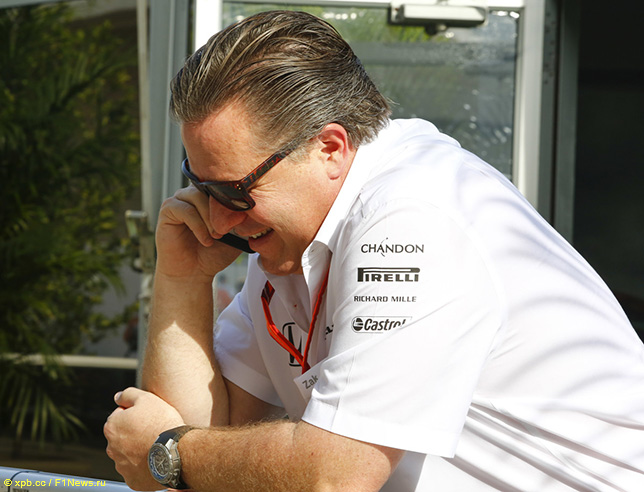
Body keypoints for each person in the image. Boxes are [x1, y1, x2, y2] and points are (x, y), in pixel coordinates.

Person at [104, 10, 644, 491]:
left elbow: (335, 476)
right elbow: (201, 435)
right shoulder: (289, 237)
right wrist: (182, 278)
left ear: (329, 148)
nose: (219, 219)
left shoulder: (413, 215)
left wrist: (170, 455)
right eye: (203, 187)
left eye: (236, 190)